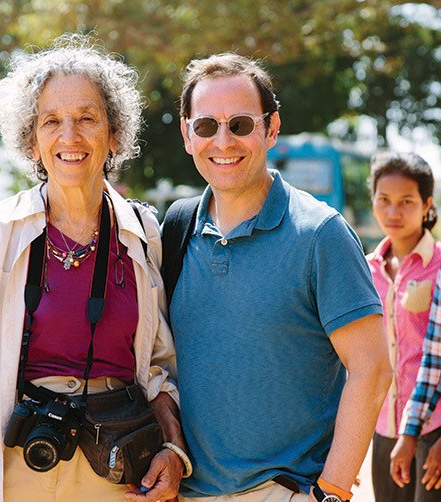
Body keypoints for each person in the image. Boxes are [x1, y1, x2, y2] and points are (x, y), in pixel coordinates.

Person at [0, 34, 186, 502]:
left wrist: (171, 449)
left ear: (115, 134)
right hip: (12, 462)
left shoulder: (142, 232)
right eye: (52, 121)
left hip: (117, 468)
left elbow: (160, 366)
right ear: (31, 140)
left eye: (87, 118)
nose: (70, 136)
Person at [161, 53, 392, 502]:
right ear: (188, 134)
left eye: (241, 124)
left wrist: (331, 492)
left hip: (286, 491)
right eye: (207, 125)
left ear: (271, 129)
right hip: (188, 492)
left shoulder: (320, 233)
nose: (223, 141)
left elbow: (373, 370)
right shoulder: (175, 229)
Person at [366, 151, 441, 501]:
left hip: (434, 432)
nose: (393, 212)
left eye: (406, 201)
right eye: (384, 200)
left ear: (427, 204)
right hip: (384, 430)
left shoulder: (438, 266)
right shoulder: (365, 271)